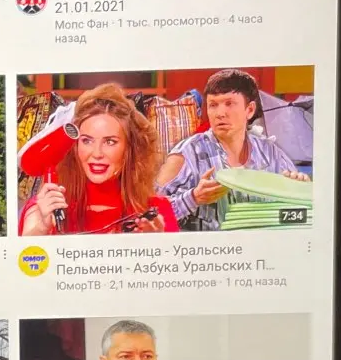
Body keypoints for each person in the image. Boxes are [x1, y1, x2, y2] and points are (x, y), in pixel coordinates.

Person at [158, 69, 310, 230]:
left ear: (249, 110)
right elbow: (149, 213)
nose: (220, 113)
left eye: (229, 103)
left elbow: (297, 214)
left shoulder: (270, 153)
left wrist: (300, 191)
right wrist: (193, 198)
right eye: (213, 105)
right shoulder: (187, 154)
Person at [18, 82, 176, 236]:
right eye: (87, 141)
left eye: (110, 142)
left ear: (130, 148)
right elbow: (25, 252)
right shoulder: (43, 208)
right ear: (74, 146)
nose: (97, 153)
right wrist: (40, 230)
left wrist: (157, 244)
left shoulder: (157, 212)